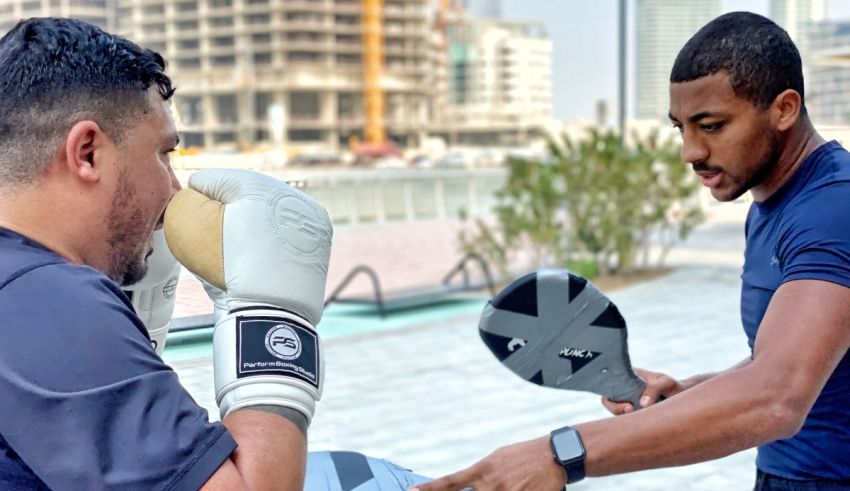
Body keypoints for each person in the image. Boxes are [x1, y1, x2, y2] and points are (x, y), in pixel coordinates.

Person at [414, 11, 850, 491]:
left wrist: (562, 454)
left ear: (785, 108)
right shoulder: (775, 202)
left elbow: (777, 396)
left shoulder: (832, 209)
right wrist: (692, 392)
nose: (690, 151)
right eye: (680, 128)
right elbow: (796, 353)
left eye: (711, 125)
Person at [0, 17, 334, 490]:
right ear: (88, 153)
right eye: (163, 153)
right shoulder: (46, 297)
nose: (173, 188)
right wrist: (272, 312)